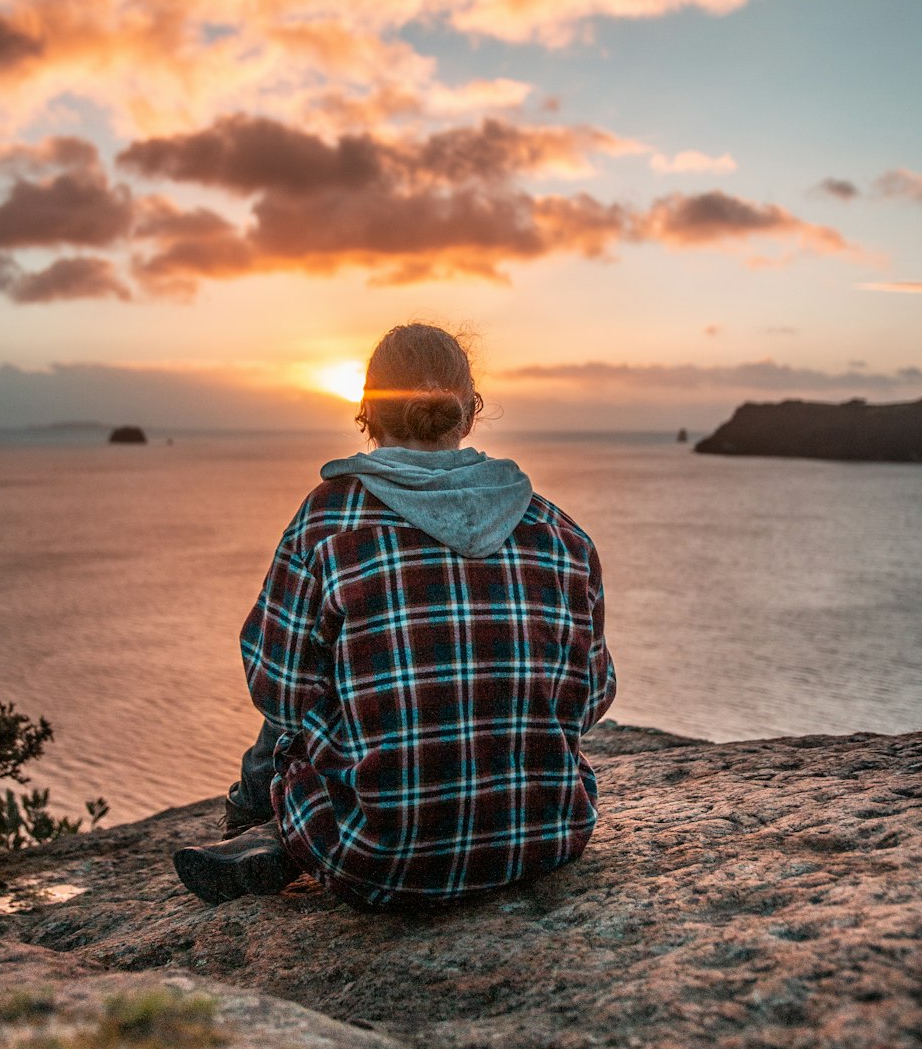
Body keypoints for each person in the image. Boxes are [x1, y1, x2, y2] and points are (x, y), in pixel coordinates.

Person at [173, 323, 616, 910]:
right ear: (470, 410)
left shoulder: (329, 519)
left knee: (300, 701)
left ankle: (261, 829)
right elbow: (592, 696)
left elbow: (278, 692)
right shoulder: (559, 532)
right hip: (543, 839)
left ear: (366, 413)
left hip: (379, 860)